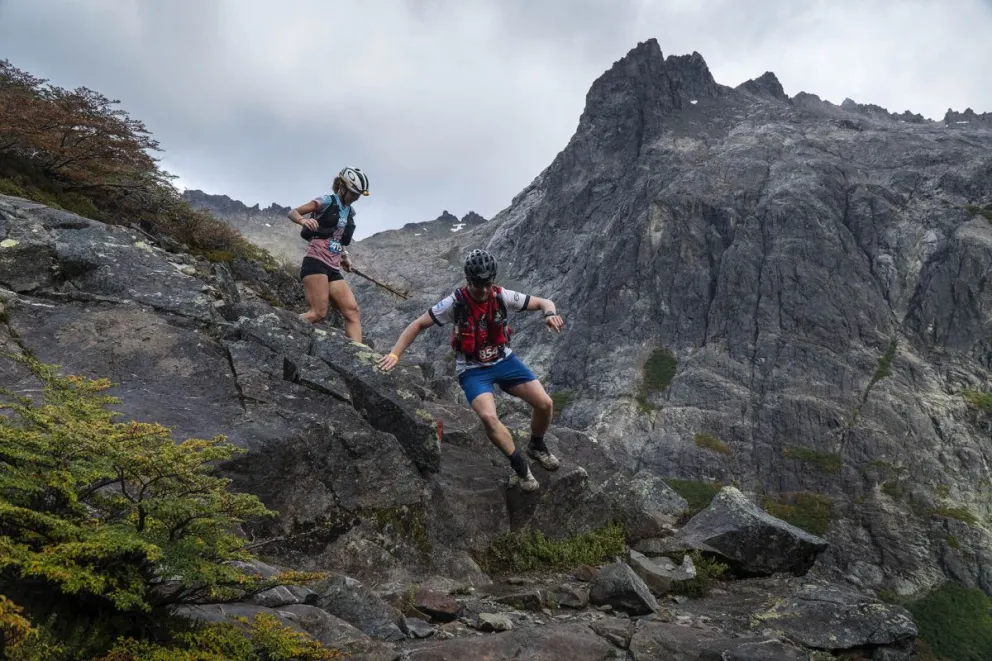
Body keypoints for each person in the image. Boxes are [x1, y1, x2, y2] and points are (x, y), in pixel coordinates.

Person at [377, 248, 565, 492]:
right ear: (468, 281)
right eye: (478, 285)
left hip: (504, 360)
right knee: (488, 416)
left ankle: (537, 446)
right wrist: (395, 354)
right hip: (474, 369)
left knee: (545, 403)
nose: (484, 290)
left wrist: (549, 315)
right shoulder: (454, 303)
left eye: (488, 284)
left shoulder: (502, 296)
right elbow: (418, 324)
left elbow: (543, 302)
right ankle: (521, 468)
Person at [287, 166, 369, 342]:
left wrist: (345, 256)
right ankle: (284, 327)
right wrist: (303, 220)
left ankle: (358, 356)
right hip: (315, 261)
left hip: (333, 265)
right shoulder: (325, 201)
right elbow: (293, 212)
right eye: (354, 193)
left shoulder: (350, 212)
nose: (356, 198)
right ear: (343, 187)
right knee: (318, 313)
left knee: (352, 311)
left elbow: (337, 236)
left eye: (359, 195)